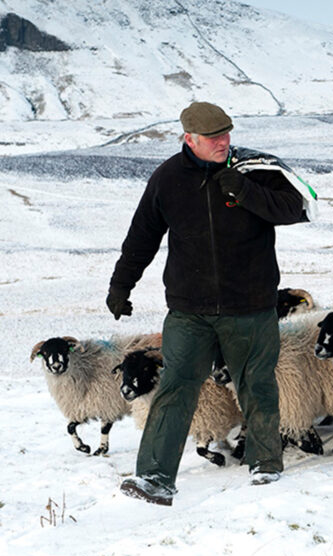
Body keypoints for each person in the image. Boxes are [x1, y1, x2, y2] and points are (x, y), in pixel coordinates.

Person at [108, 101, 305, 506]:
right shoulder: (167, 179)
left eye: (227, 134)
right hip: (189, 310)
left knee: (257, 386)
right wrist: (120, 286)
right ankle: (154, 478)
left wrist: (245, 191)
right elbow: (142, 236)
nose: (224, 143)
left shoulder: (256, 169)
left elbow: (297, 208)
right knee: (176, 387)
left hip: (250, 306)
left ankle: (266, 466)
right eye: (214, 138)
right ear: (189, 139)